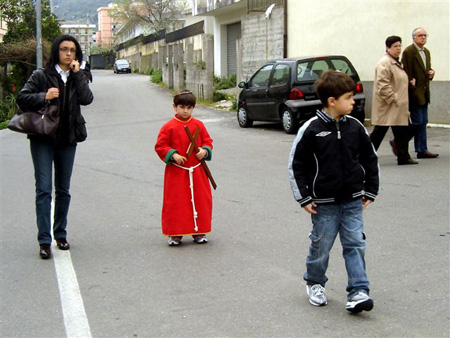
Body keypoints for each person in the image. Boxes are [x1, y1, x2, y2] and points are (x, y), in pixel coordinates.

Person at [288, 70, 379, 313]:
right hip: (323, 203)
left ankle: (359, 291)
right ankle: (315, 282)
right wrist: (304, 197)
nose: (353, 102)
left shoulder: (355, 127)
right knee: (321, 246)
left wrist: (370, 189)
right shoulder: (311, 129)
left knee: (355, 244)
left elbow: (370, 159)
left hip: (352, 200)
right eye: (349, 97)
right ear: (332, 101)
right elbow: (296, 164)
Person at [17, 35, 94, 259]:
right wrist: (44, 96)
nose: (68, 54)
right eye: (64, 49)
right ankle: (44, 240)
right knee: (43, 189)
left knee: (63, 190)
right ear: (56, 52)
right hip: (43, 137)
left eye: (72, 50)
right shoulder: (41, 75)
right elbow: (23, 98)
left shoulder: (78, 75)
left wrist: (78, 74)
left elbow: (87, 99)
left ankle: (60, 234)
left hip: (68, 139)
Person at [155, 90, 213, 246]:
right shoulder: (169, 127)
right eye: (182, 107)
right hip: (177, 172)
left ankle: (199, 232)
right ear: (174, 107)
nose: (185, 111)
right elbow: (161, 146)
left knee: (201, 201)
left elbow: (207, 142)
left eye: (189, 107)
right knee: (176, 203)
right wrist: (173, 155)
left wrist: (204, 151)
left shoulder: (198, 125)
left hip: (197, 171)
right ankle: (175, 234)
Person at [370, 36, 418, 165]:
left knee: (402, 132)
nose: (398, 49)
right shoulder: (385, 63)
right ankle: (366, 156)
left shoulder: (396, 62)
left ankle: (403, 157)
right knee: (379, 132)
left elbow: (398, 80)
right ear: (388, 48)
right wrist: (393, 98)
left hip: (398, 105)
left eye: (399, 46)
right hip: (389, 105)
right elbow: (383, 84)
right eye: (395, 46)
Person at [401, 27, 438, 159]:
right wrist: (411, 85)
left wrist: (431, 73)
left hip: (424, 92)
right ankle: (400, 142)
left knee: (423, 121)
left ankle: (422, 149)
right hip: (414, 92)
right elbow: (405, 70)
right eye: (420, 35)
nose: (423, 37)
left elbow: (426, 69)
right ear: (414, 38)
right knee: (417, 122)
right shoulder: (409, 52)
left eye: (425, 35)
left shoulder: (426, 52)